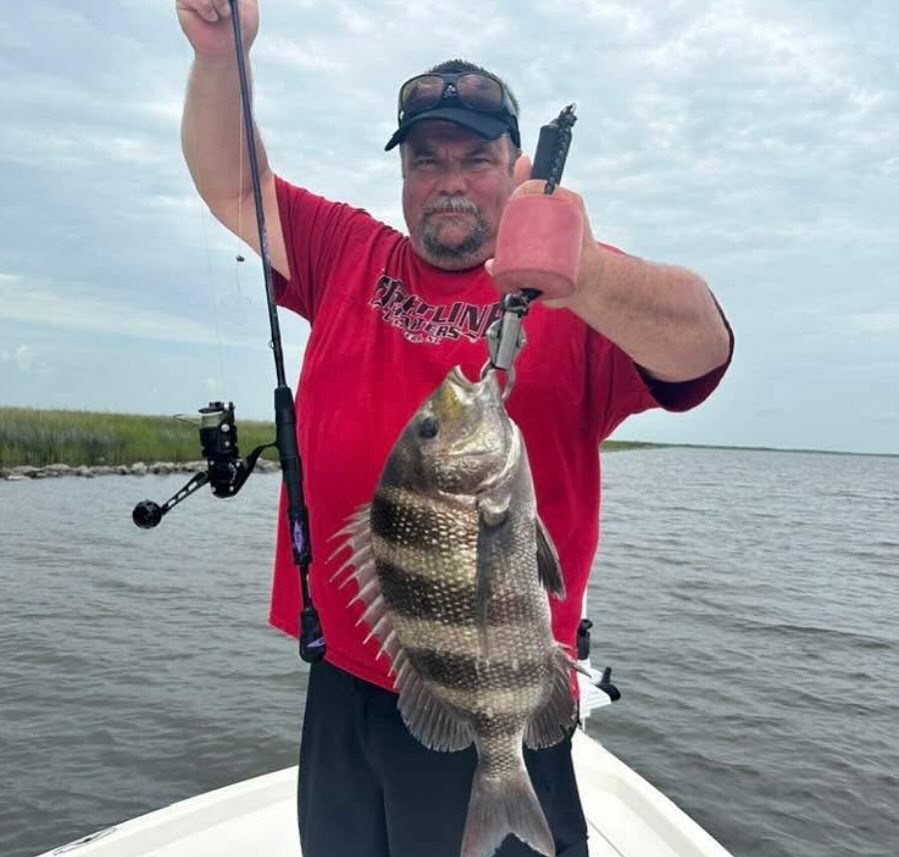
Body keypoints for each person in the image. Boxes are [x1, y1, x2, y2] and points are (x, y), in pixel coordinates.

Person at [176, 2, 733, 856]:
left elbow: (703, 345)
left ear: (516, 171)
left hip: (500, 692)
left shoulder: (571, 291)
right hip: (344, 682)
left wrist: (581, 273)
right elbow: (233, 187)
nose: (449, 179)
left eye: (477, 158)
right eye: (426, 160)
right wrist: (222, 56)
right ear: (403, 178)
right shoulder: (347, 253)